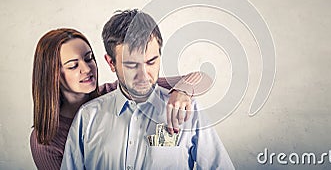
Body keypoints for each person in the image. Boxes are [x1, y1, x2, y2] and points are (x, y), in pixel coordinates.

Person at [61, 9, 234, 169]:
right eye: (131, 65)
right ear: (111, 63)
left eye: (151, 62)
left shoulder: (190, 112)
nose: (143, 76)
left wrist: (184, 89)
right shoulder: (87, 117)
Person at [30, 28, 211, 170]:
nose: (87, 69)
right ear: (52, 74)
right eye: (73, 66)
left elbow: (202, 78)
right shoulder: (45, 139)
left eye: (89, 58)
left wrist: (182, 90)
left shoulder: (114, 92)